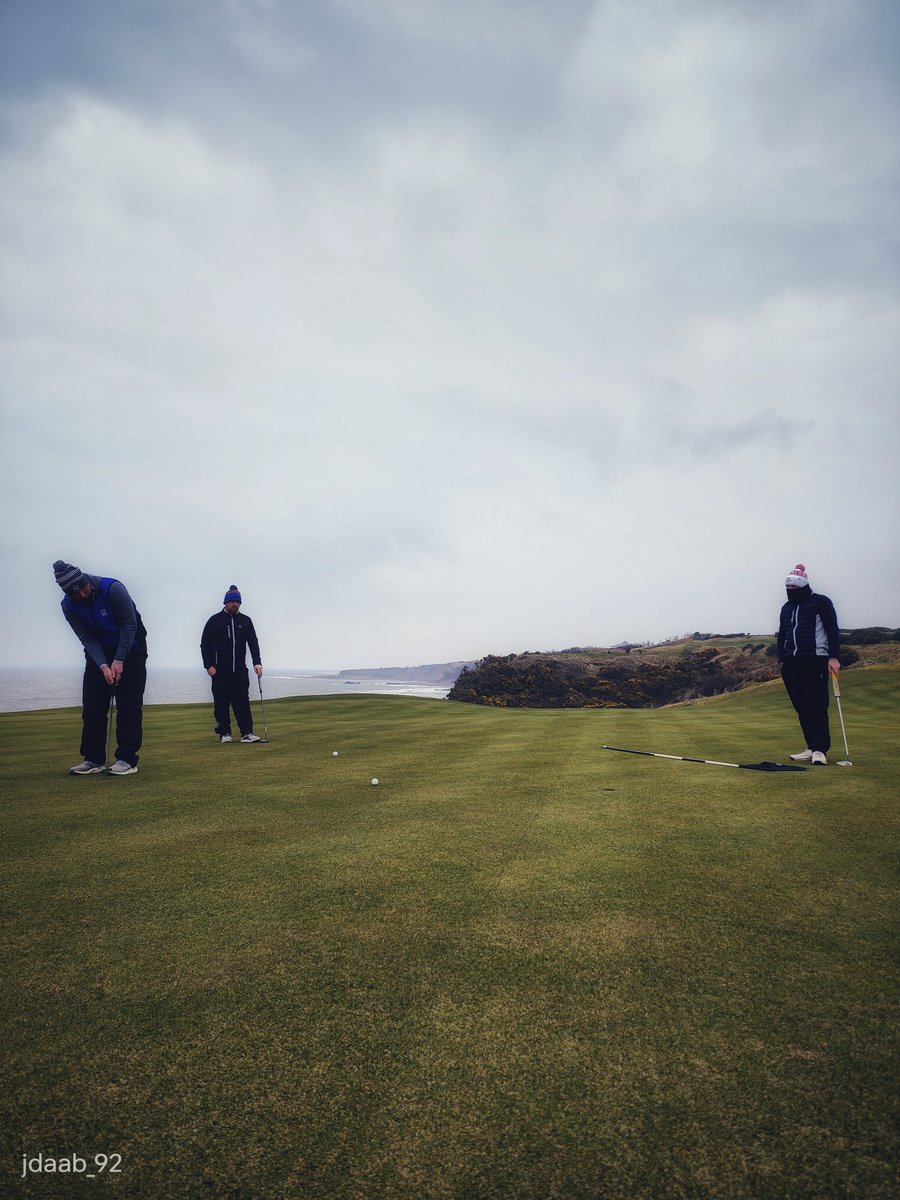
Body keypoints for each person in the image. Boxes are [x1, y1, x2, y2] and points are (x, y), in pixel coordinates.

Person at [53, 560, 148, 775]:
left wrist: (119, 659)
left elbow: (129, 624)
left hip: (131, 648)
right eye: (76, 594)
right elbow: (86, 636)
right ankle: (93, 759)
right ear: (68, 594)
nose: (84, 595)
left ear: (86, 580)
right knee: (93, 705)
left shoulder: (113, 589)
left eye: (84, 589)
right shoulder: (68, 606)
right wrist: (104, 664)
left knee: (128, 704)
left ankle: (127, 759)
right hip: (99, 653)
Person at [776, 563, 841, 766]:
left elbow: (832, 630)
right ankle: (811, 746)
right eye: (788, 588)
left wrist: (833, 657)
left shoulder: (820, 602)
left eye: (794, 588)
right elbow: (783, 635)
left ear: (804, 586)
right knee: (801, 707)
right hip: (791, 663)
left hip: (815, 660)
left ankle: (821, 749)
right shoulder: (787, 607)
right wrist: (782, 659)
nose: (790, 591)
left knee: (816, 705)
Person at [200, 585, 263, 743]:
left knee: (241, 701)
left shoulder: (246, 621)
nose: (235, 604)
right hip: (220, 671)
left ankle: (246, 733)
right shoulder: (215, 621)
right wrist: (209, 665)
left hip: (240, 671)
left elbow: (253, 643)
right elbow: (205, 644)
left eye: (238, 602)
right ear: (226, 602)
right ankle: (225, 732)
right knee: (221, 703)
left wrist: (257, 662)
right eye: (232, 601)